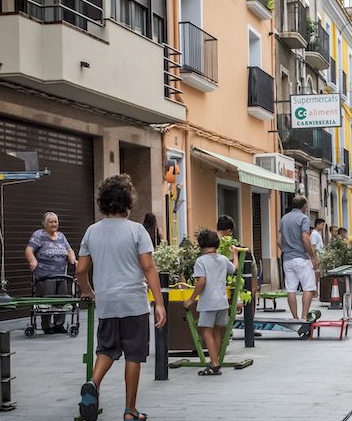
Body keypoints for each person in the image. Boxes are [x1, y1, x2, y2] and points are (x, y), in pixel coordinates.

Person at [76, 175, 165, 421]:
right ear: (128, 202)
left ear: (102, 203)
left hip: (107, 303)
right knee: (133, 355)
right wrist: (159, 302)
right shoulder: (137, 231)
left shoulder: (92, 232)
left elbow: (81, 270)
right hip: (133, 303)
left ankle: (93, 383)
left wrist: (88, 291)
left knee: (106, 349)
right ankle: (130, 410)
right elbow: (148, 268)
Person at [182, 230, 237, 376]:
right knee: (217, 331)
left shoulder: (201, 261)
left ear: (200, 244)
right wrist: (236, 255)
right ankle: (216, 360)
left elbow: (202, 281)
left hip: (208, 302)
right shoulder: (223, 259)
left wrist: (191, 299)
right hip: (222, 301)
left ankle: (214, 364)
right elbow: (234, 269)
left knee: (206, 331)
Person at [24, 212, 77, 334]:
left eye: (56, 222)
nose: (54, 224)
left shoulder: (61, 236)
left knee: (61, 300)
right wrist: (33, 261)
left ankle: (59, 324)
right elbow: (29, 250)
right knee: (47, 300)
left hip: (61, 274)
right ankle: (47, 326)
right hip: (45, 276)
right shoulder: (39, 235)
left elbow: (69, 250)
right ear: (44, 223)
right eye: (51, 222)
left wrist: (73, 259)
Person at [278, 195, 318, 320]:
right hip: (301, 258)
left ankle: (295, 318)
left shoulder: (284, 219)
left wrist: (286, 249)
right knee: (308, 287)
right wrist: (312, 257)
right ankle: (304, 317)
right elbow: (305, 239)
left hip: (287, 258)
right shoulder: (303, 218)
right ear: (304, 206)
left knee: (291, 289)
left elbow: (278, 241)